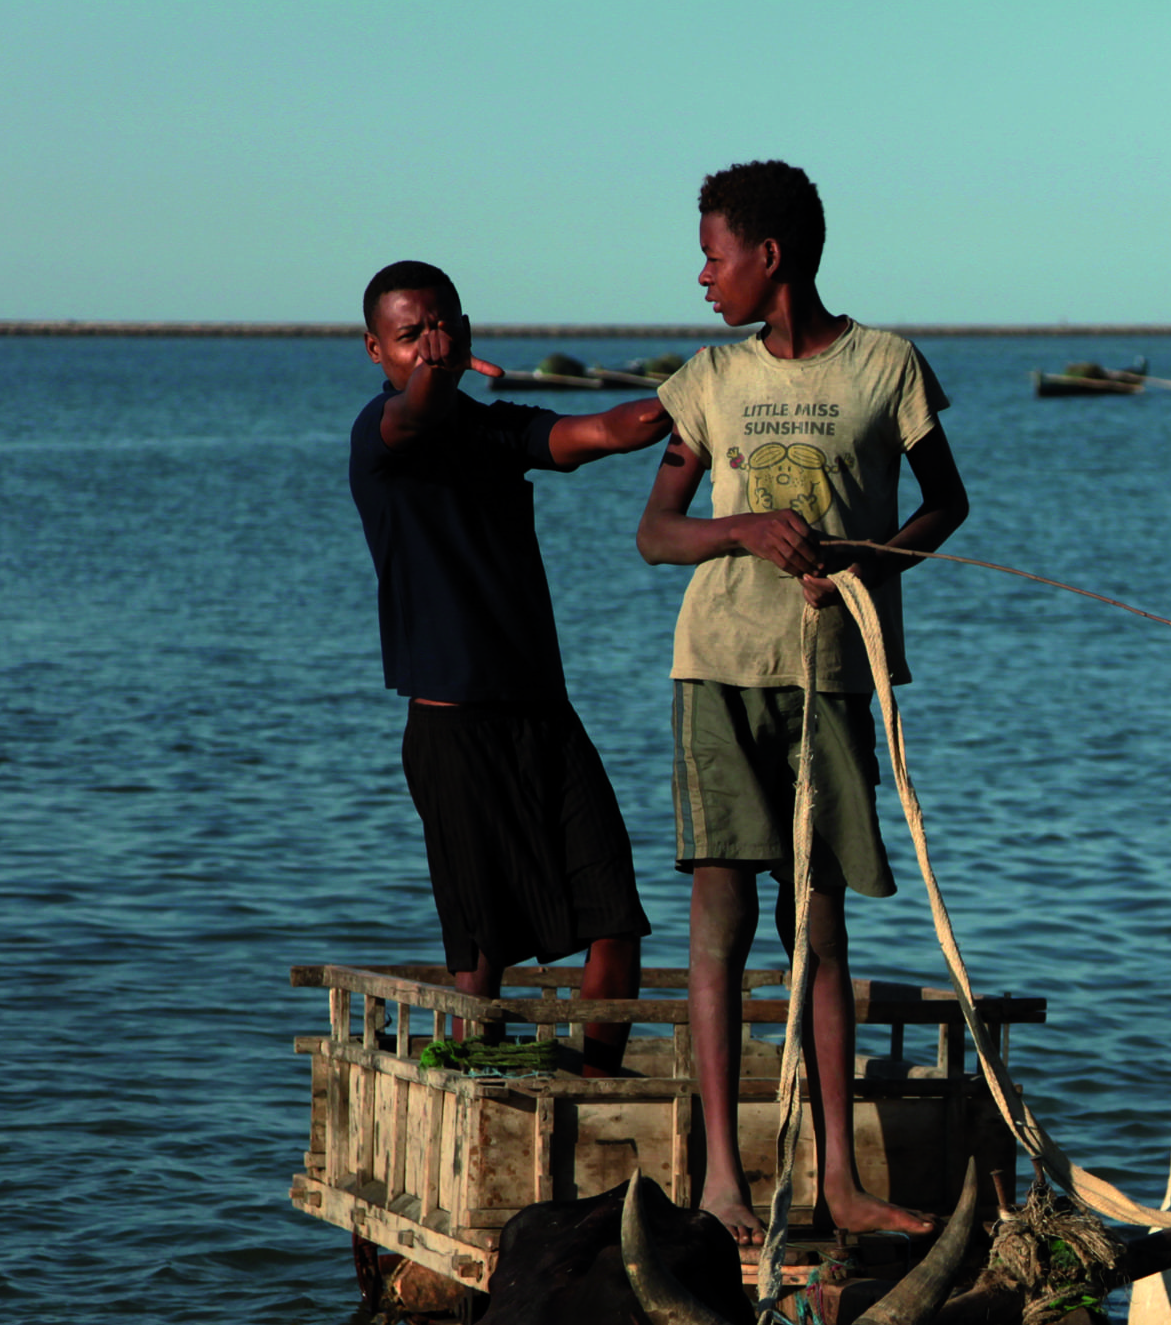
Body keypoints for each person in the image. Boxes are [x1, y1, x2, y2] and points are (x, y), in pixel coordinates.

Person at [637, 161, 970, 1242]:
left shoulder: (886, 367)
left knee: (816, 920)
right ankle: (723, 1180)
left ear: (768, 258)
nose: (702, 277)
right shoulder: (712, 378)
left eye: (714, 255)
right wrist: (744, 529)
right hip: (720, 668)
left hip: (830, 673)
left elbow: (946, 501)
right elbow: (658, 533)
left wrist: (871, 565)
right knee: (722, 921)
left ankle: (837, 1181)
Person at [348, 260, 670, 1073]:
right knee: (481, 946)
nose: (433, 341)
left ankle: (599, 1081)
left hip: (542, 713)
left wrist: (698, 395)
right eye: (411, 333)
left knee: (615, 915)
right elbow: (415, 410)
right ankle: (476, 1083)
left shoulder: (496, 428)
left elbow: (601, 432)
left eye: (445, 323)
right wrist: (433, 377)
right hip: (450, 726)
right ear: (376, 350)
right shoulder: (378, 433)